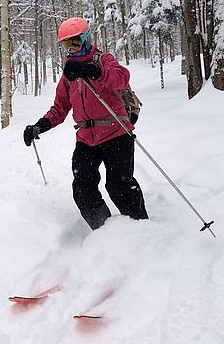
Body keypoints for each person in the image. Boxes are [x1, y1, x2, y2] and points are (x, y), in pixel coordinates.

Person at [23, 17, 148, 230]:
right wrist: (40, 126)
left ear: (86, 39)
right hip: (86, 140)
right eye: (65, 44)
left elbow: (121, 78)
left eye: (75, 42)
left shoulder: (103, 60)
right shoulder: (69, 76)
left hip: (116, 133)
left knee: (119, 186)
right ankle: (106, 231)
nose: (71, 49)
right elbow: (60, 108)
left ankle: (142, 230)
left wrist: (93, 71)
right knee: (82, 188)